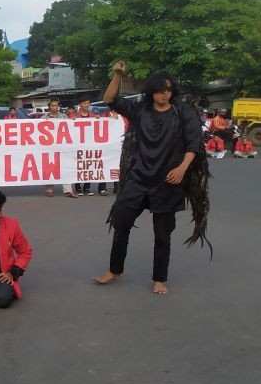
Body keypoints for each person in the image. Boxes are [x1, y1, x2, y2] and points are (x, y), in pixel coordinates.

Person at [94, 61, 207, 295]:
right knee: (121, 223)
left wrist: (183, 168)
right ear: (151, 91)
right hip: (138, 178)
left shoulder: (183, 112)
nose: (164, 94)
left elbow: (193, 142)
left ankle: (159, 279)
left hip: (168, 182)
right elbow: (109, 100)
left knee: (162, 234)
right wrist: (117, 76)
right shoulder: (140, 109)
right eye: (159, 89)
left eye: (168, 90)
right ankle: (115, 270)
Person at [43, 98, 76, 198]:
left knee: (66, 166)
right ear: (49, 107)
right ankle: (49, 189)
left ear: (58, 106)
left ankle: (68, 190)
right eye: (52, 105)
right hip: (49, 146)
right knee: (49, 167)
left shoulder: (63, 116)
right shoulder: (45, 117)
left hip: (62, 145)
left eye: (56, 105)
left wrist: (73, 121)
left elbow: (69, 127)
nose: (54, 107)